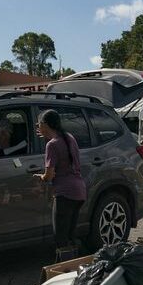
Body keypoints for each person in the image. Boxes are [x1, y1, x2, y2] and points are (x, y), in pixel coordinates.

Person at [35, 109, 87, 262]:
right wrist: (47, 135)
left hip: (64, 194)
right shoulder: (69, 137)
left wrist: (42, 177)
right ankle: (76, 267)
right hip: (79, 192)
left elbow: (49, 175)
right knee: (70, 235)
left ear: (44, 124)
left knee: (60, 238)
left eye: (39, 125)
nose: (38, 128)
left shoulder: (52, 145)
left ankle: (63, 270)